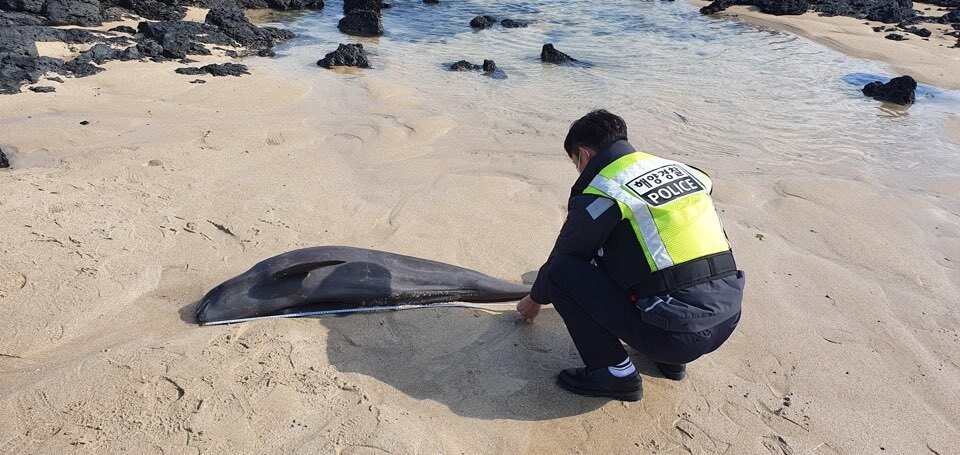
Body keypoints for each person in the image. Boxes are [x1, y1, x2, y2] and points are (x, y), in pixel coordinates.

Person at [516, 110, 744, 402]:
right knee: (643, 246)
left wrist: (536, 298)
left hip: (676, 335)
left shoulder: (606, 188)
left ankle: (615, 372)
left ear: (583, 155)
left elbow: (567, 255)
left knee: (560, 271)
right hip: (727, 318)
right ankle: (670, 362)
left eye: (574, 162)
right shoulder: (684, 170)